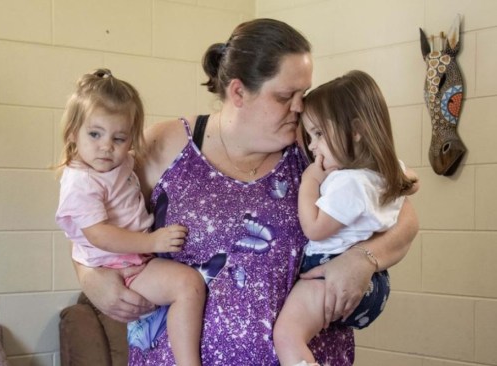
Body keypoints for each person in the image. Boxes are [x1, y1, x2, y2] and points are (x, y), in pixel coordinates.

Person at [74, 19, 419, 365]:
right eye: (285, 96)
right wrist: (90, 277)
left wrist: (363, 259)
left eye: (304, 93)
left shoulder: (315, 147)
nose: (300, 107)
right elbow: (85, 213)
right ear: (238, 92)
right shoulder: (165, 144)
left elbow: (404, 218)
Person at [55, 69, 205, 366]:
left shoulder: (119, 163)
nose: (106, 147)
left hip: (133, 261)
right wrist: (151, 240)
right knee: (187, 285)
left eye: (119, 138)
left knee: (188, 285)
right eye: (94, 134)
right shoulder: (81, 181)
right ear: (73, 132)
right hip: (119, 267)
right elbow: (98, 234)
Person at [273, 70, 420, 366]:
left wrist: (310, 182)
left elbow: (314, 228)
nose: (312, 147)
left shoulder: (347, 182)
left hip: (329, 275)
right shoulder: (384, 173)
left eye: (318, 134)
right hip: (373, 283)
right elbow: (412, 181)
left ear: (355, 131)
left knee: (288, 335)